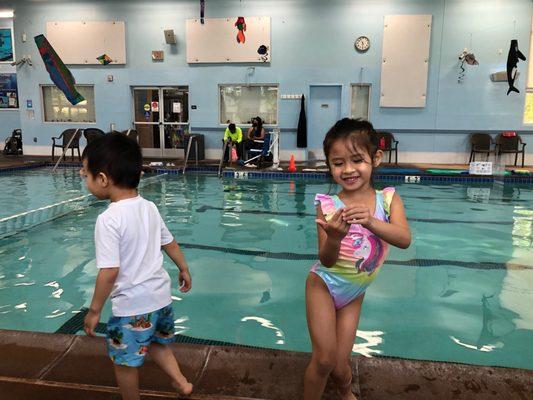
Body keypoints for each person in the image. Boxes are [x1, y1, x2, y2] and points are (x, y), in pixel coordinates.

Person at [304, 118, 411, 400]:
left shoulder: (388, 200)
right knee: (324, 360)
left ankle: (345, 391)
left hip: (354, 293)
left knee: (340, 365)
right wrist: (336, 238)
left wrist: (372, 223)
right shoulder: (327, 205)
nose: (348, 170)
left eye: (357, 160)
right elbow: (326, 261)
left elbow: (403, 239)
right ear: (329, 165)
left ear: (375, 158)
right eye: (338, 163)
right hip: (323, 285)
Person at [80, 133, 193, 400]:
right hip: (161, 299)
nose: (84, 180)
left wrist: (94, 310)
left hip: (132, 307)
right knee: (158, 343)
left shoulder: (108, 219)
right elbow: (170, 242)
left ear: (103, 179)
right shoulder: (149, 207)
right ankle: (181, 382)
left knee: (124, 362)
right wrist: (184, 268)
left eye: (85, 174)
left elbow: (109, 271)